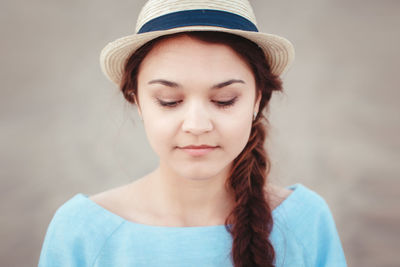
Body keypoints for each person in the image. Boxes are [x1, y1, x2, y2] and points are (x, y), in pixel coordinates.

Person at [38, 0, 347, 266]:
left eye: (224, 100)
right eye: (169, 101)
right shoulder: (81, 231)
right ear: (137, 101)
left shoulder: (306, 221)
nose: (197, 125)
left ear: (257, 99)